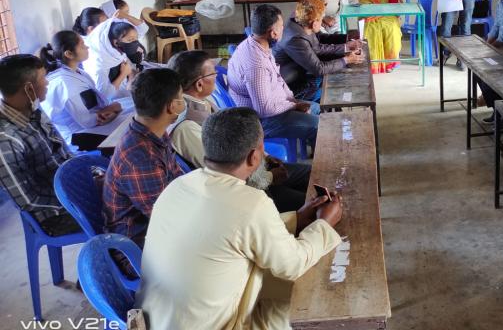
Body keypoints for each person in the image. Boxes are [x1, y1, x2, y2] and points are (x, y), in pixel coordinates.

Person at [137, 107, 348, 330]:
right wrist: (325, 224)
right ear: (254, 156)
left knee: (286, 283)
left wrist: (299, 217)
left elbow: (231, 232)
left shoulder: (179, 185)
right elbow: (292, 264)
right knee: (332, 303)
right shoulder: (252, 203)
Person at [168, 50, 313, 213]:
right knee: (312, 203)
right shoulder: (186, 128)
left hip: (256, 170)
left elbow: (236, 138)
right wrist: (270, 178)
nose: (216, 75)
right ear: (199, 84)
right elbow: (223, 174)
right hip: (245, 193)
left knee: (313, 175)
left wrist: (265, 157)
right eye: (213, 72)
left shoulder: (204, 102)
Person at [102, 68, 186, 247]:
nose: (183, 103)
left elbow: (178, 179)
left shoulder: (153, 132)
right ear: (172, 106)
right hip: (137, 243)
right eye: (181, 98)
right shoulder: (140, 158)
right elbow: (166, 217)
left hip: (157, 225)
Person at [0, 54, 80, 236]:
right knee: (123, 213)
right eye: (44, 78)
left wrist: (90, 177)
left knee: (127, 189)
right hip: (53, 215)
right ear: (28, 89)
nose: (47, 83)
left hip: (70, 190)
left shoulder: (34, 108)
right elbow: (30, 201)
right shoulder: (5, 138)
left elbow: (64, 152)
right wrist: (79, 197)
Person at [228, 4, 320, 145]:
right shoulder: (255, 64)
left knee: (315, 108)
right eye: (281, 26)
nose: (284, 28)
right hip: (261, 121)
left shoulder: (258, 44)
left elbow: (278, 80)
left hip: (277, 105)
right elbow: (264, 109)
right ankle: (320, 162)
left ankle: (313, 145)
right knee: (318, 126)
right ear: (273, 33)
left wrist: (293, 101)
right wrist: (293, 106)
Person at [40, 31, 123, 151]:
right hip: (79, 137)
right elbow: (87, 121)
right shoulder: (64, 82)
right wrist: (114, 108)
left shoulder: (78, 72)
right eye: (82, 45)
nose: (87, 47)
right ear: (69, 53)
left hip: (94, 124)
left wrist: (112, 108)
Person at [275, 0, 363, 101]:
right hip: (290, 86)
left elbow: (317, 48)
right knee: (334, 93)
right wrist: (347, 59)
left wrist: (347, 45)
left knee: (337, 75)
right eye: (321, 19)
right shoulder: (295, 39)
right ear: (314, 23)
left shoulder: (301, 21)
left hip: (302, 72)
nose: (322, 23)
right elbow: (319, 69)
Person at [358, 0, 403, 74]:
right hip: (372, 16)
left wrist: (384, 12)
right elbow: (365, 6)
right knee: (371, 29)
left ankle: (389, 63)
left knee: (391, 28)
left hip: (388, 16)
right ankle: (374, 63)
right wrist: (376, 12)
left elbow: (393, 5)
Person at [83, 18, 138, 99]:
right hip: (113, 102)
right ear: (116, 43)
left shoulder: (116, 51)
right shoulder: (100, 64)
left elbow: (129, 69)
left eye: (136, 38)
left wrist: (130, 82)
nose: (135, 43)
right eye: (130, 39)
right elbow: (104, 96)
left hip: (126, 89)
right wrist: (123, 74)